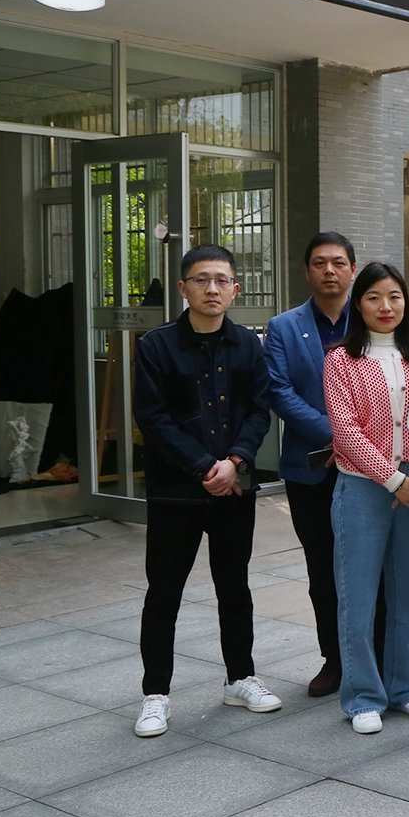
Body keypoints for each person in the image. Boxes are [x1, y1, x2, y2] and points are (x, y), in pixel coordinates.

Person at [131, 245, 279, 737]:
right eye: (200, 280)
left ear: (235, 289)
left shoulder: (249, 346)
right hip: (175, 493)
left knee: (234, 586)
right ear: (183, 288)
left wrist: (233, 462)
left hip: (233, 490)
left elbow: (259, 410)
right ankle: (156, 693)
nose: (211, 289)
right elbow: (152, 418)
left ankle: (240, 678)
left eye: (221, 280)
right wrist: (204, 466)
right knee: (164, 592)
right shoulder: (156, 346)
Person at [323, 262, 409, 733]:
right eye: (373, 297)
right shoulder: (340, 360)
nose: (385, 306)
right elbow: (346, 431)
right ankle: (363, 697)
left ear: (406, 302)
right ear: (358, 304)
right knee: (357, 597)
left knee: (408, 594)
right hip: (362, 489)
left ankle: (403, 687)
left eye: (394, 296)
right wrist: (393, 480)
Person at [265, 232, 364, 697]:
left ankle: (376, 656)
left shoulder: (372, 318)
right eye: (320, 263)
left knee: (372, 567)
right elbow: (278, 391)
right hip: (311, 468)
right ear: (306, 271)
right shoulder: (284, 327)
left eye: (338, 262)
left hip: (371, 467)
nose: (329, 270)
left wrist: (359, 442)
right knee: (323, 569)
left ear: (352, 270)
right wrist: (337, 433)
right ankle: (335, 660)